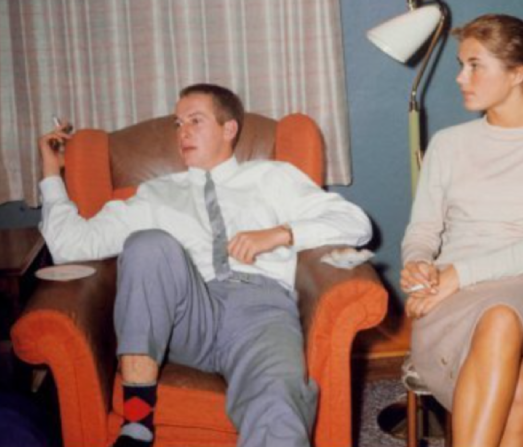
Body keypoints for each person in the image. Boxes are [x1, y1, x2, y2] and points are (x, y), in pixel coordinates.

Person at [38, 83, 372, 447]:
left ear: (229, 129)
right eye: (178, 124)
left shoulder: (273, 177)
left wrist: (279, 234)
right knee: (149, 244)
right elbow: (71, 245)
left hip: (260, 315)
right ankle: (136, 424)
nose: (183, 132)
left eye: (195, 121)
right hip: (186, 316)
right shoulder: (155, 193)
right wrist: (52, 174)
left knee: (277, 403)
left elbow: (355, 223)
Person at [400, 15, 523, 447]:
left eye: (474, 65)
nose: (459, 77)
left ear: (517, 74)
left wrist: (456, 275)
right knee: (520, 390)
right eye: (460, 64)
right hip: (452, 297)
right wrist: (418, 264)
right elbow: (424, 229)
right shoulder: (448, 144)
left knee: (503, 316)